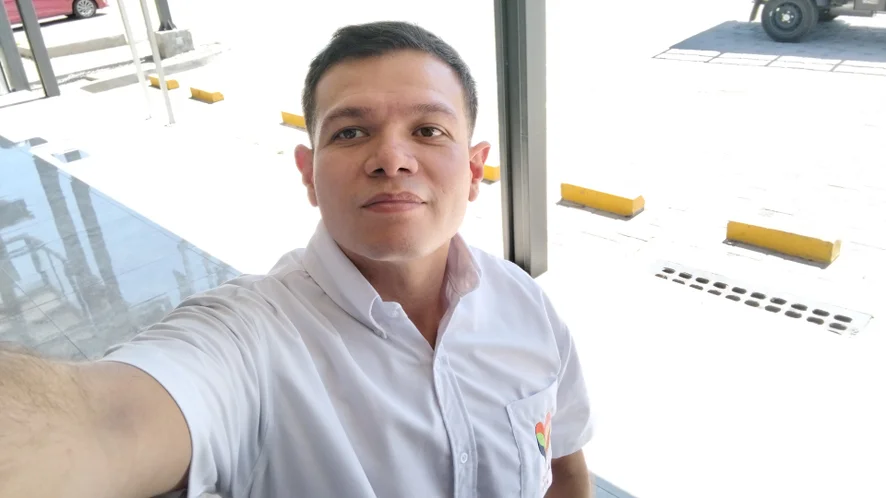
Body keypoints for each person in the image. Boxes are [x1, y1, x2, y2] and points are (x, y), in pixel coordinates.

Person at [0, 21, 593, 498]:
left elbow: (564, 470)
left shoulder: (525, 303)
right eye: (350, 133)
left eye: (429, 131)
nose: (391, 158)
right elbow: (106, 422)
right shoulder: (251, 340)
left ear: (474, 168)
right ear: (308, 175)